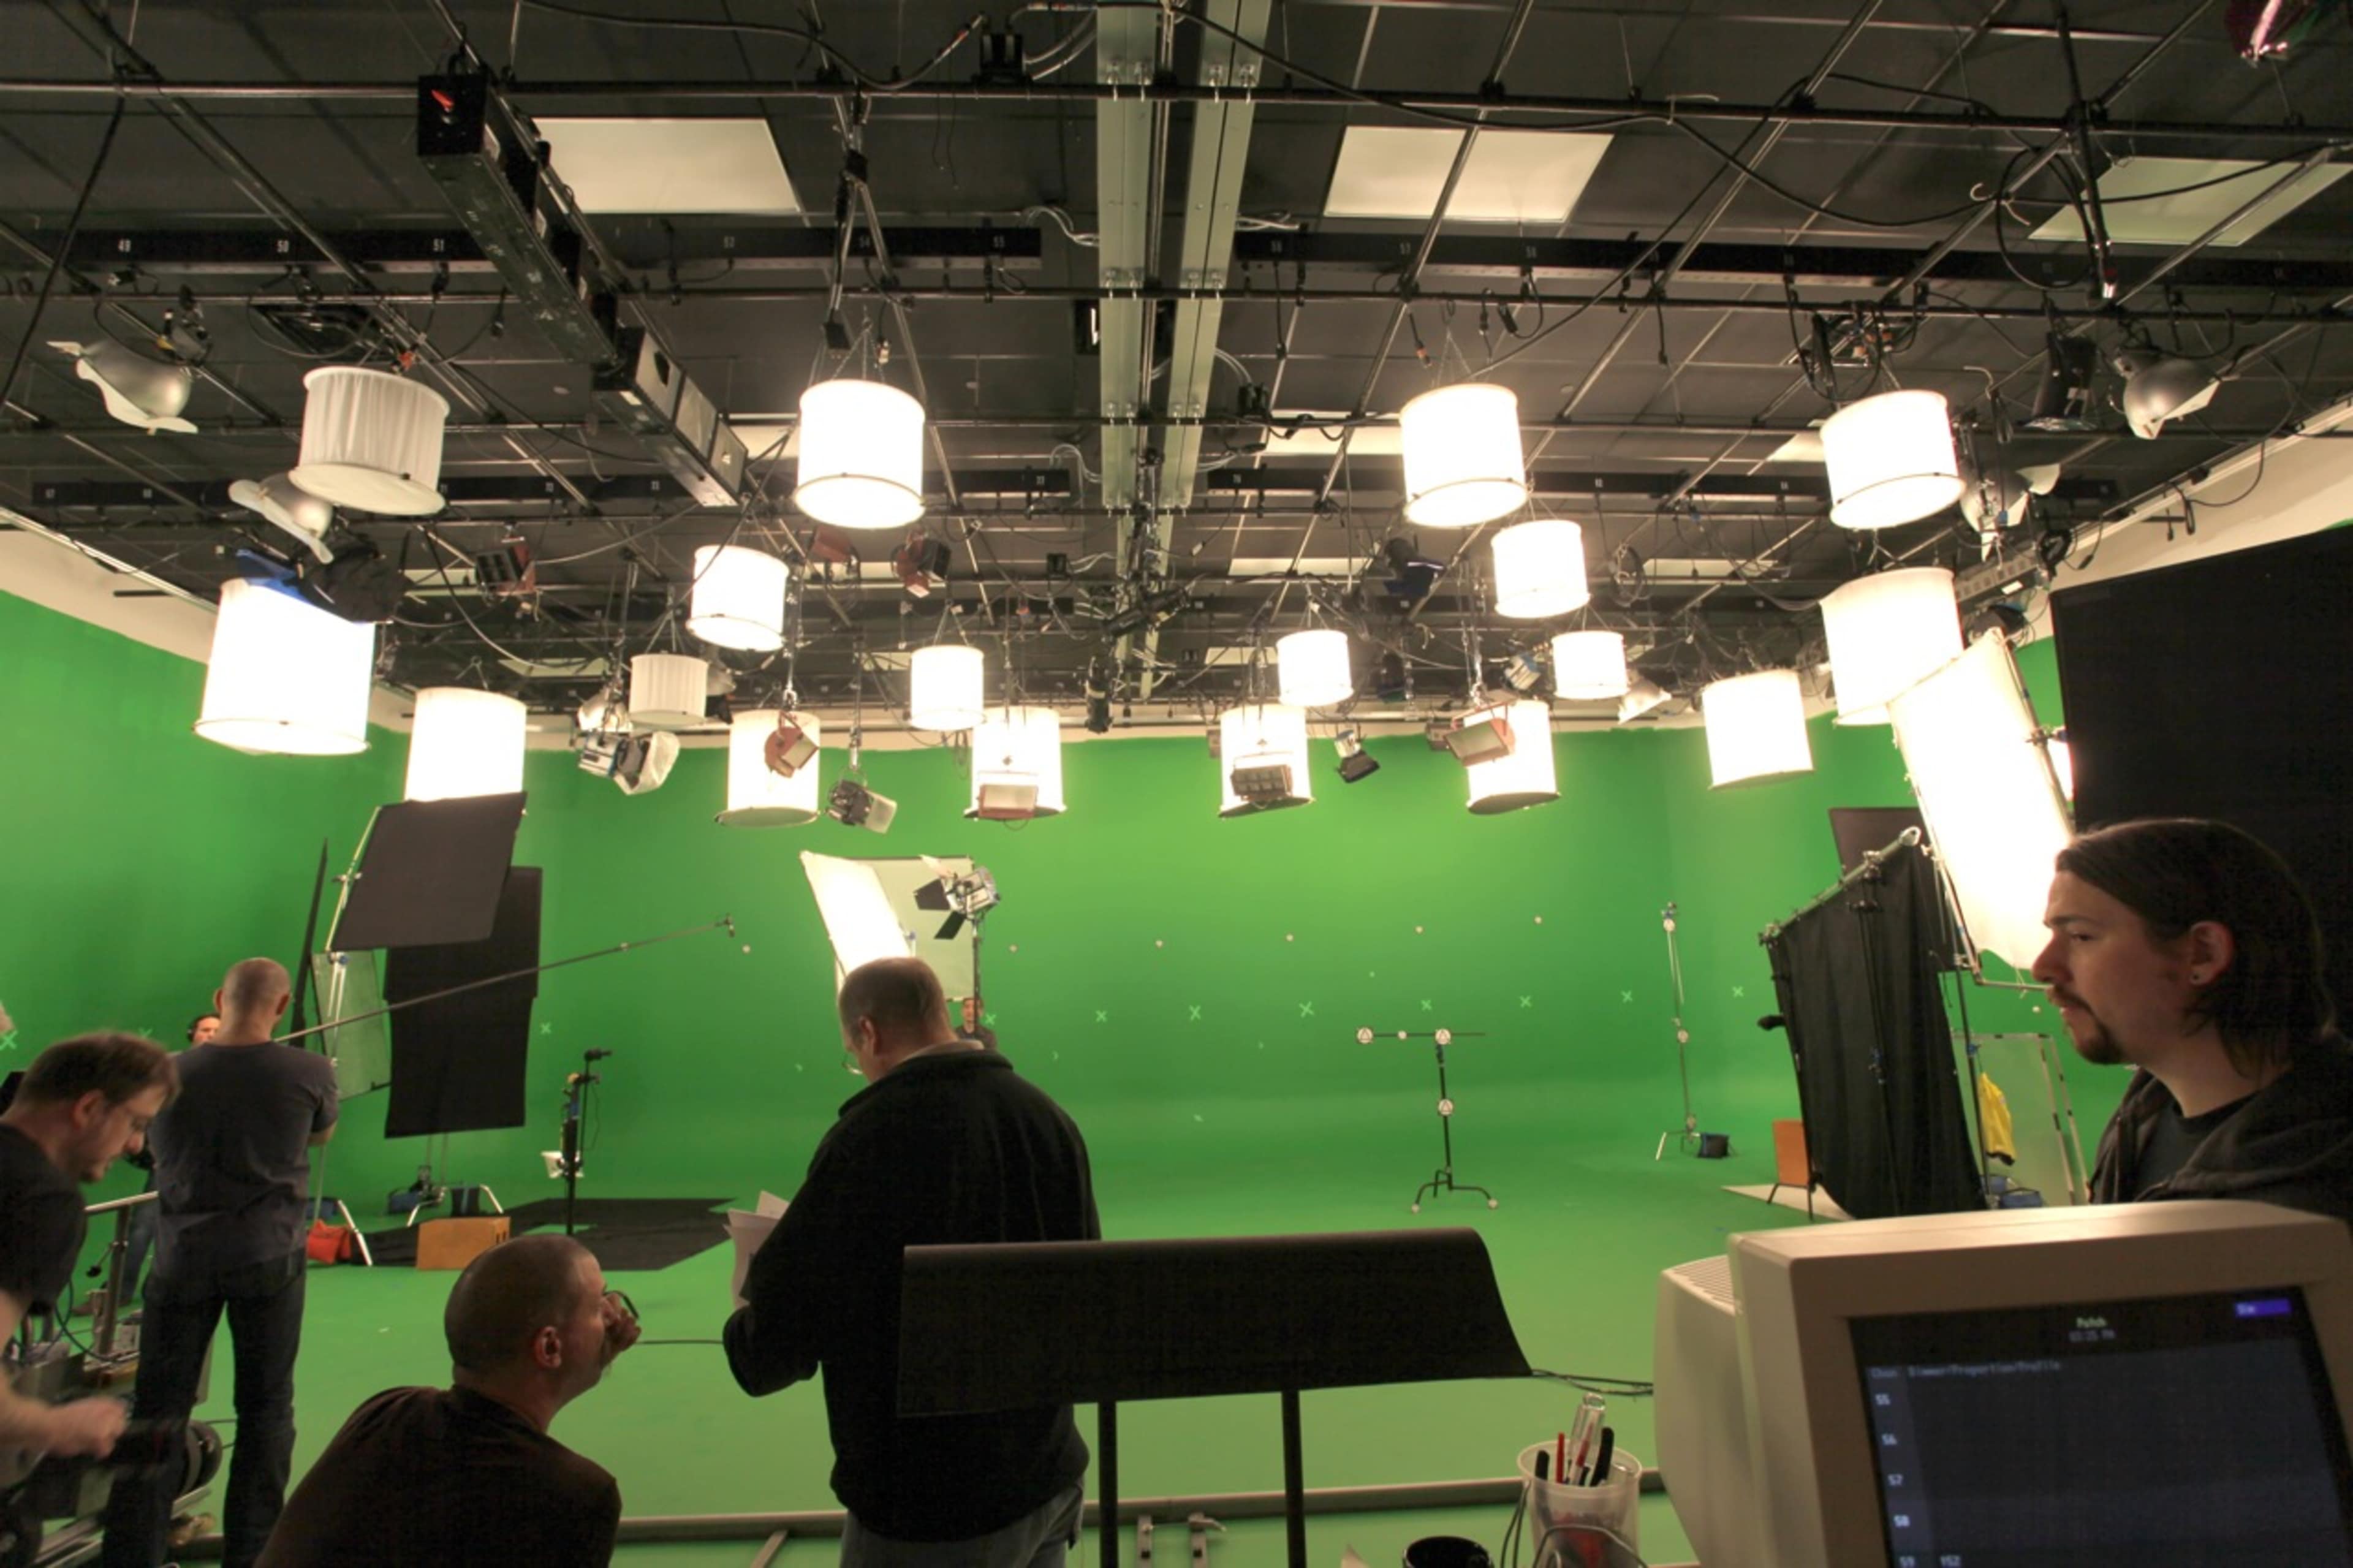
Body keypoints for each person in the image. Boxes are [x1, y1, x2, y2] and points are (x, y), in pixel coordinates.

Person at [726, 956, 1097, 1565]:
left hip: (929, 1506)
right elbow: (1081, 1293)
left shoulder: (865, 1139)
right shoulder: (1048, 1119)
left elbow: (778, 1340)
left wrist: (747, 1325)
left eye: (853, 1051)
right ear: (941, 1016)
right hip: (1048, 1476)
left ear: (868, 1033)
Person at [104, 960, 339, 1568]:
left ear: (219, 999)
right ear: (282, 1007)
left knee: (156, 1413)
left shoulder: (169, 1074)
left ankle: (131, 1555)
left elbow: (148, 1142)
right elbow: (319, 1136)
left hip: (182, 1260)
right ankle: (253, 1555)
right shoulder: (310, 1070)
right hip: (270, 1259)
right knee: (267, 1411)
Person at [2032, 817, 2353, 1223]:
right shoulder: (2138, 1124)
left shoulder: (2326, 1174)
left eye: (2080, 936)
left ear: (2203, 953)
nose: (2043, 966)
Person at [256, 1234, 638, 1567]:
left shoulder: (386, 1414)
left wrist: (590, 1352)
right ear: (550, 1346)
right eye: (597, 1305)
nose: (611, 1314)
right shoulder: (577, 1496)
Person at [0, 1034, 175, 1460]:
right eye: (135, 1124)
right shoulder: (44, 1202)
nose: (136, 1145)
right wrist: (54, 1425)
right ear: (89, 1107)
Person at [114, 1012, 219, 1309]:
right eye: (205, 1030)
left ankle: (159, 1291)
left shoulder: (234, 1070)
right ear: (192, 1034)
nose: (211, 1035)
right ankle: (120, 1292)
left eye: (217, 1030)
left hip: (210, 1163)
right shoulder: (168, 1067)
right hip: (170, 1161)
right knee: (142, 1227)